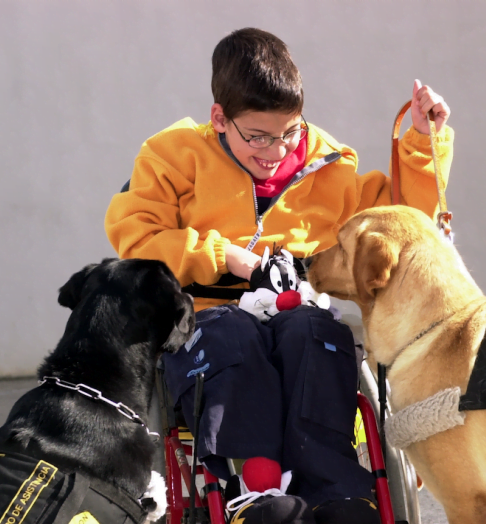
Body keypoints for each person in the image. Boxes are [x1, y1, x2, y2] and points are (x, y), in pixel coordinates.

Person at [105, 27, 453, 524]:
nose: (274, 151)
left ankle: (335, 491)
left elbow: (406, 228)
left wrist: (422, 140)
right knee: (232, 334)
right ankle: (253, 487)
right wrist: (224, 256)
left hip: (298, 308)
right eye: (257, 137)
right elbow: (136, 240)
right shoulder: (172, 156)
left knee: (320, 333)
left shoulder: (329, 163)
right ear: (219, 117)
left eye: (288, 132)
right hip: (209, 315)